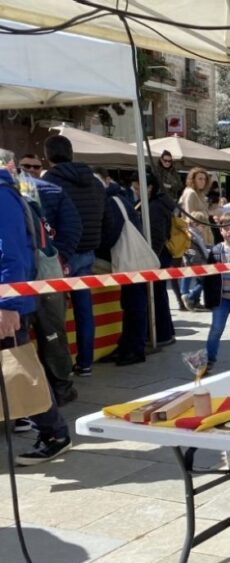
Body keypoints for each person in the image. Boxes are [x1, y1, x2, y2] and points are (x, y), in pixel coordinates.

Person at [0, 149, 72, 466]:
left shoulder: (3, 196)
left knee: (21, 369)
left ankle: (54, 433)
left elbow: (11, 253)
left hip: (7, 301)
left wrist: (8, 305)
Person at [17, 153, 80, 405]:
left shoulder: (27, 193)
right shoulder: (47, 190)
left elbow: (72, 227)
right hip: (43, 273)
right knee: (51, 334)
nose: (30, 170)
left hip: (34, 275)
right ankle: (58, 388)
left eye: (35, 166)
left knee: (42, 335)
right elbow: (73, 227)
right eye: (27, 166)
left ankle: (43, 393)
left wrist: (56, 256)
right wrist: (57, 257)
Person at [42, 135, 106, 378]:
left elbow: (44, 219)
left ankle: (60, 368)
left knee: (55, 314)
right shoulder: (94, 182)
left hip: (61, 254)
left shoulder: (49, 181)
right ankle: (86, 363)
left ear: (48, 156)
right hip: (89, 251)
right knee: (84, 310)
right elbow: (102, 214)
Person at [96, 174, 148, 366]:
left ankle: (135, 349)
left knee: (134, 305)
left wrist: (98, 250)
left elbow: (111, 232)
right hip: (132, 259)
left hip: (128, 259)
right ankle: (127, 345)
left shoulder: (111, 200)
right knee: (132, 304)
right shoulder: (120, 197)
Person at [140, 170, 178, 347]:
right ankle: (166, 332)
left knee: (157, 296)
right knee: (160, 294)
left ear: (150, 187)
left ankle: (162, 334)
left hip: (158, 255)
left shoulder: (154, 206)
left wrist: (150, 258)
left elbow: (157, 235)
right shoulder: (162, 202)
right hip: (163, 254)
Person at [203, 213, 230, 372]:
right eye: (226, 228)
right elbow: (209, 278)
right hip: (222, 299)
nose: (229, 232)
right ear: (220, 231)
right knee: (216, 329)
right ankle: (208, 361)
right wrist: (208, 300)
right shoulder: (216, 251)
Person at [179, 167, 214, 309]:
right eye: (199, 178)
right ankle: (189, 295)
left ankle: (193, 298)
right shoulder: (190, 193)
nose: (202, 181)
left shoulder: (199, 193)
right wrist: (202, 217)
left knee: (196, 268)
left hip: (202, 234)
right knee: (202, 269)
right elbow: (189, 216)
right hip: (194, 236)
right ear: (192, 179)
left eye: (204, 179)